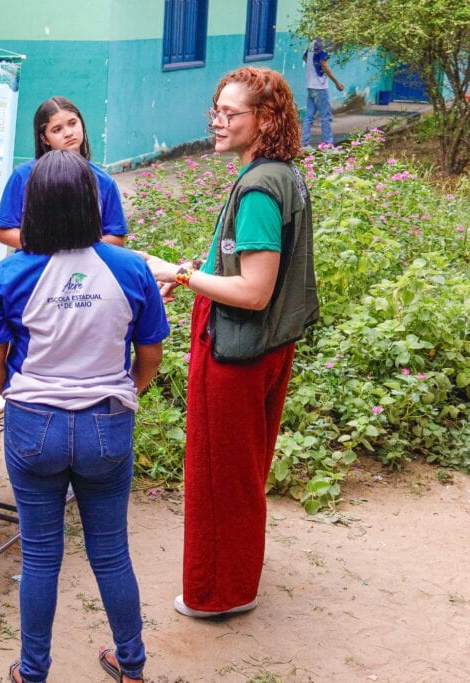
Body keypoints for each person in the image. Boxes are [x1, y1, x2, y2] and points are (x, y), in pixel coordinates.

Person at [0, 150, 169, 683]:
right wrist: (126, 391)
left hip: (33, 425)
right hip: (105, 425)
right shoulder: (130, 268)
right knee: (110, 553)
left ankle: (32, 671)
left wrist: (21, 396)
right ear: (93, 203)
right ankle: (131, 665)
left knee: (40, 556)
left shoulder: (12, 271)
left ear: (33, 206)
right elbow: (151, 354)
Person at [142, 66, 319, 619]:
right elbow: (246, 267)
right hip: (266, 348)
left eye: (230, 113)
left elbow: (254, 291)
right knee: (242, 471)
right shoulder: (280, 174)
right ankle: (237, 576)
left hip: (238, 353)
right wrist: (195, 272)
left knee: (222, 477)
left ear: (264, 120)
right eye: (215, 111)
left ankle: (220, 593)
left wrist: (176, 273)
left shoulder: (259, 188)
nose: (217, 121)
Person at [0, 97, 127, 249]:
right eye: (57, 130)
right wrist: (49, 248)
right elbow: (4, 231)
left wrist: (79, 250)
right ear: (44, 138)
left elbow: (117, 237)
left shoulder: (104, 181)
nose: (68, 133)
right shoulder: (23, 175)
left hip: (85, 263)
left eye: (73, 123)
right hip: (37, 261)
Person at [301, 39, 344, 148]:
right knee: (326, 116)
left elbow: (305, 58)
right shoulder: (322, 44)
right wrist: (337, 82)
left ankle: (304, 144)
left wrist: (312, 70)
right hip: (320, 86)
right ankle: (327, 145)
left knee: (308, 116)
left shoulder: (312, 43)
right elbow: (324, 65)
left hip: (310, 85)